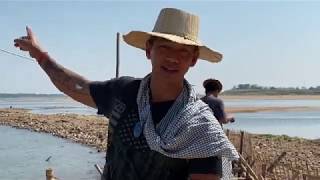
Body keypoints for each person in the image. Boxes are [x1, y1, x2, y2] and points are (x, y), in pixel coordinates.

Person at [14, 8, 238, 180]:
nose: (173, 58)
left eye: (183, 51)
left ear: (193, 59)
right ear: (149, 50)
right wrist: (40, 56)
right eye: (165, 47)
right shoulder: (124, 93)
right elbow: (76, 86)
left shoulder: (202, 128)